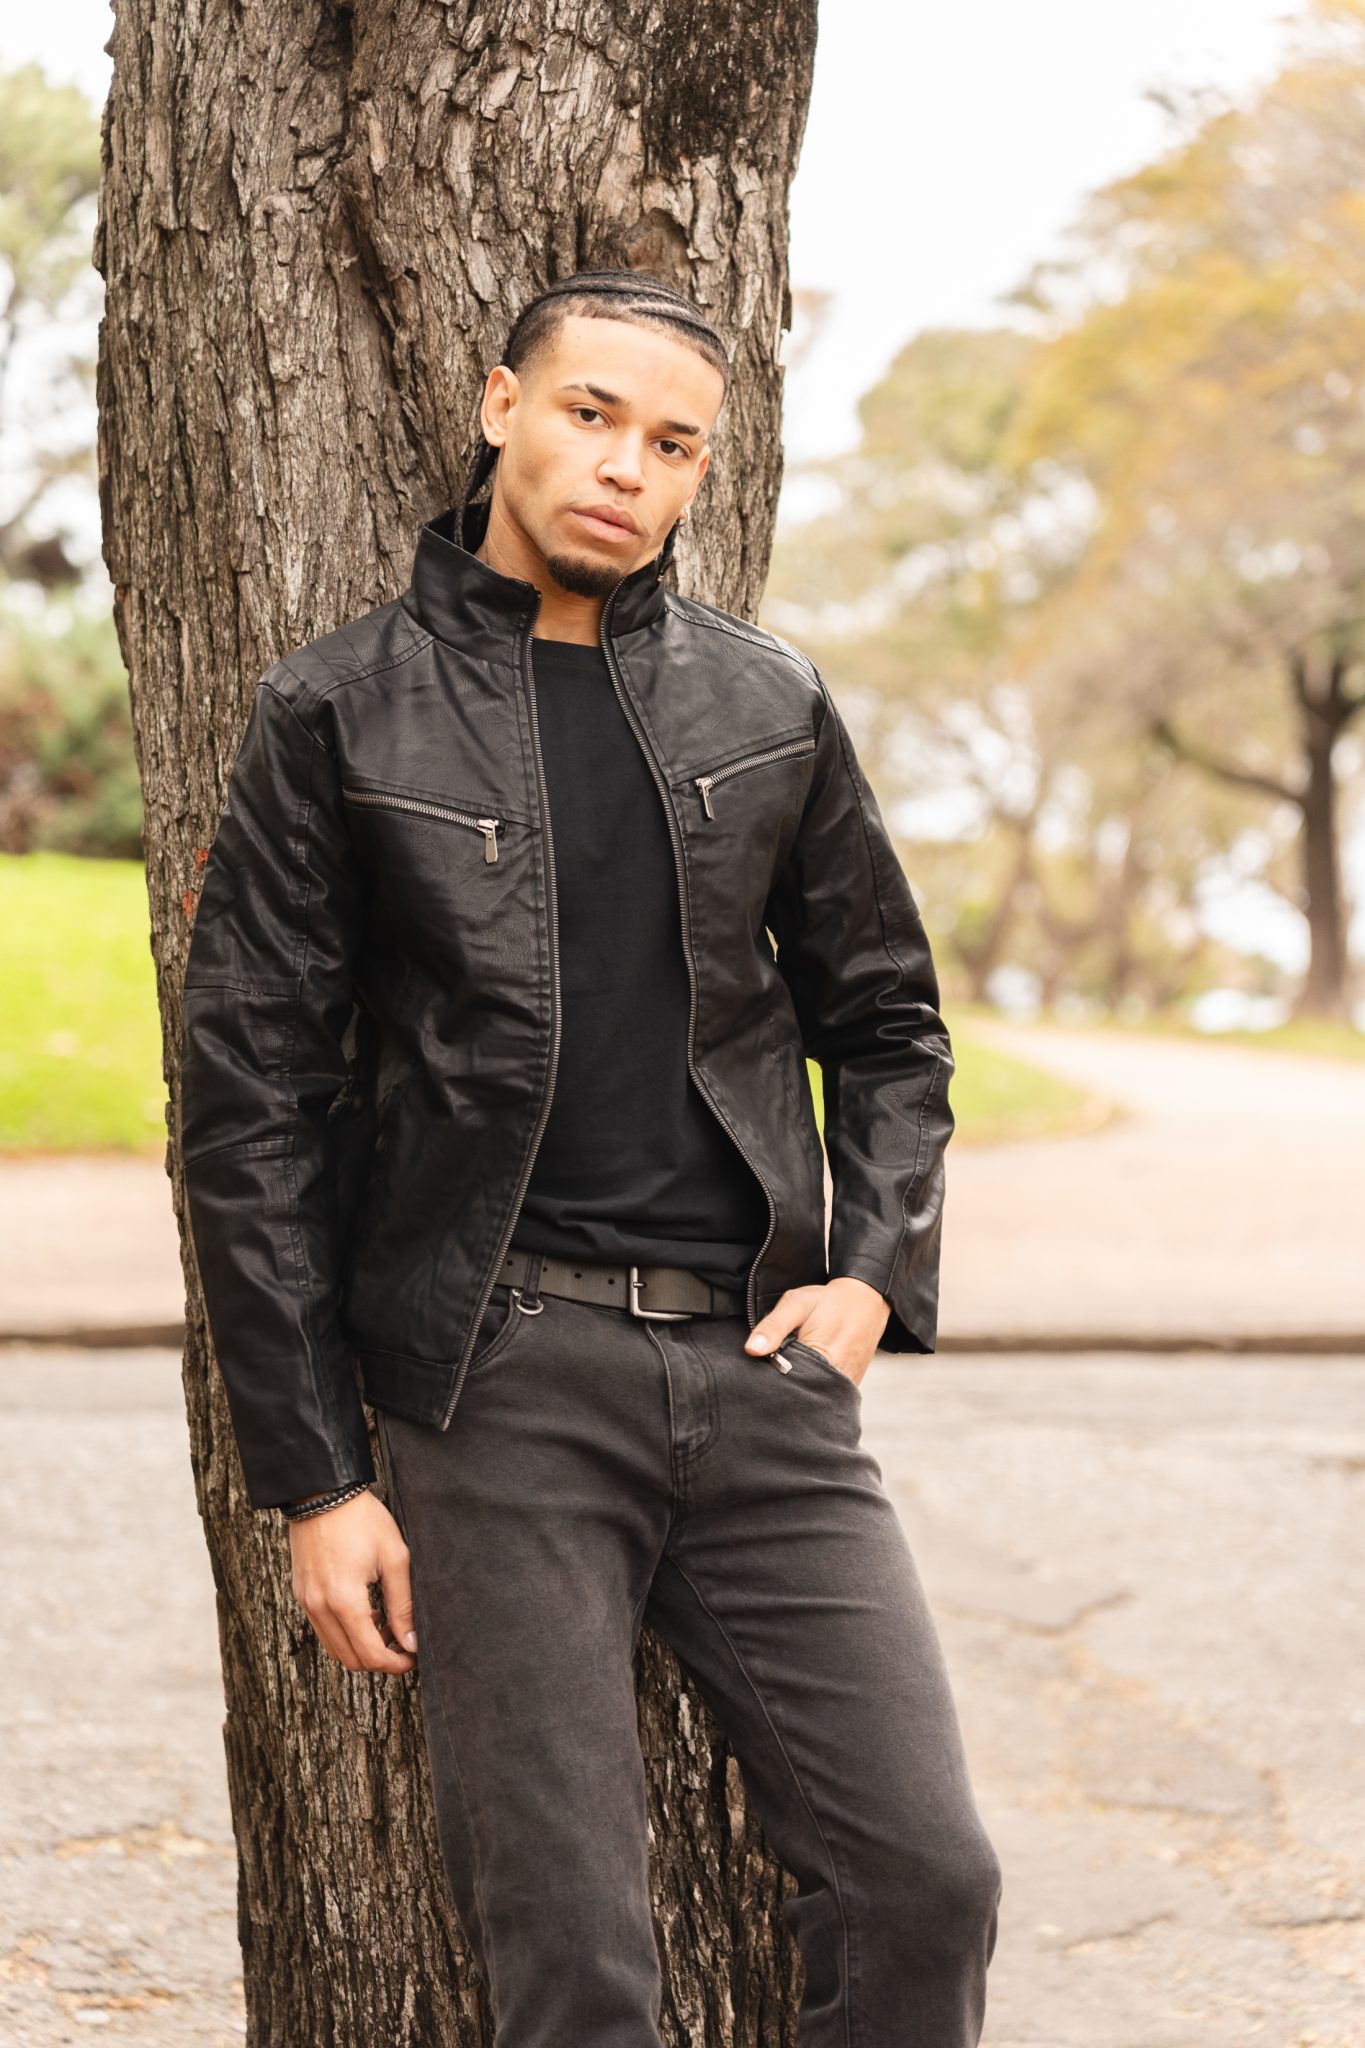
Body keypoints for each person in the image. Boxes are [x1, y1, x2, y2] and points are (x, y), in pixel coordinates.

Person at [180, 267, 1003, 2045]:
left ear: (703, 472)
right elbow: (251, 1107)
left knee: (924, 1881)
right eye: (589, 414)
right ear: (501, 408)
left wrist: (871, 1278)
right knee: (572, 1955)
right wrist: (318, 1480)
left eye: (673, 443)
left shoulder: (766, 705)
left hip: (763, 1380)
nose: (627, 466)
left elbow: (888, 1024)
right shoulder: (340, 710)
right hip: (502, 1379)